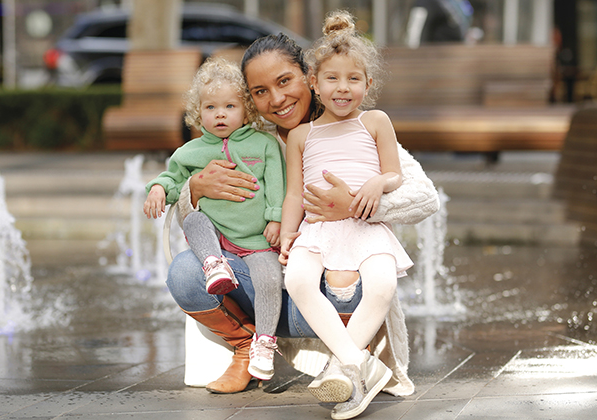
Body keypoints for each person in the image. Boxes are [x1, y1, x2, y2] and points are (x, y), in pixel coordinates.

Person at [164, 24, 440, 397]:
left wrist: (356, 206)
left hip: (330, 289)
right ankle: (247, 348)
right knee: (185, 272)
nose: (277, 99)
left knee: (355, 283)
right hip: (265, 284)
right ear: (249, 100)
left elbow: (424, 196)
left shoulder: (353, 126)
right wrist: (192, 191)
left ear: (308, 79)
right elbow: (187, 217)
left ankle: (346, 360)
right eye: (261, 92)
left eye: (284, 81)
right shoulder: (242, 140)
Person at [279, 11, 414, 419]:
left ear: (368, 85)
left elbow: (394, 173)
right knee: (298, 280)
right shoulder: (302, 136)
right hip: (318, 230)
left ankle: (343, 369)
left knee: (382, 286)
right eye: (333, 79)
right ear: (315, 85)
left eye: (354, 79)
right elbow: (293, 194)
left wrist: (378, 184)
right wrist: (288, 235)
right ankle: (360, 366)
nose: (343, 88)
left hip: (366, 227)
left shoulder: (375, 121)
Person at [143, 57, 285, 381]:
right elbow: (172, 179)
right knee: (194, 220)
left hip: (258, 243)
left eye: (230, 106)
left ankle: (263, 342)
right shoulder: (189, 152)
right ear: (198, 112)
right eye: (210, 107)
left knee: (268, 279)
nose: (220, 114)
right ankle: (212, 265)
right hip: (218, 245)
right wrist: (156, 190)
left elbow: (277, 184)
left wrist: (275, 218)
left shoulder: (263, 145)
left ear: (246, 109)